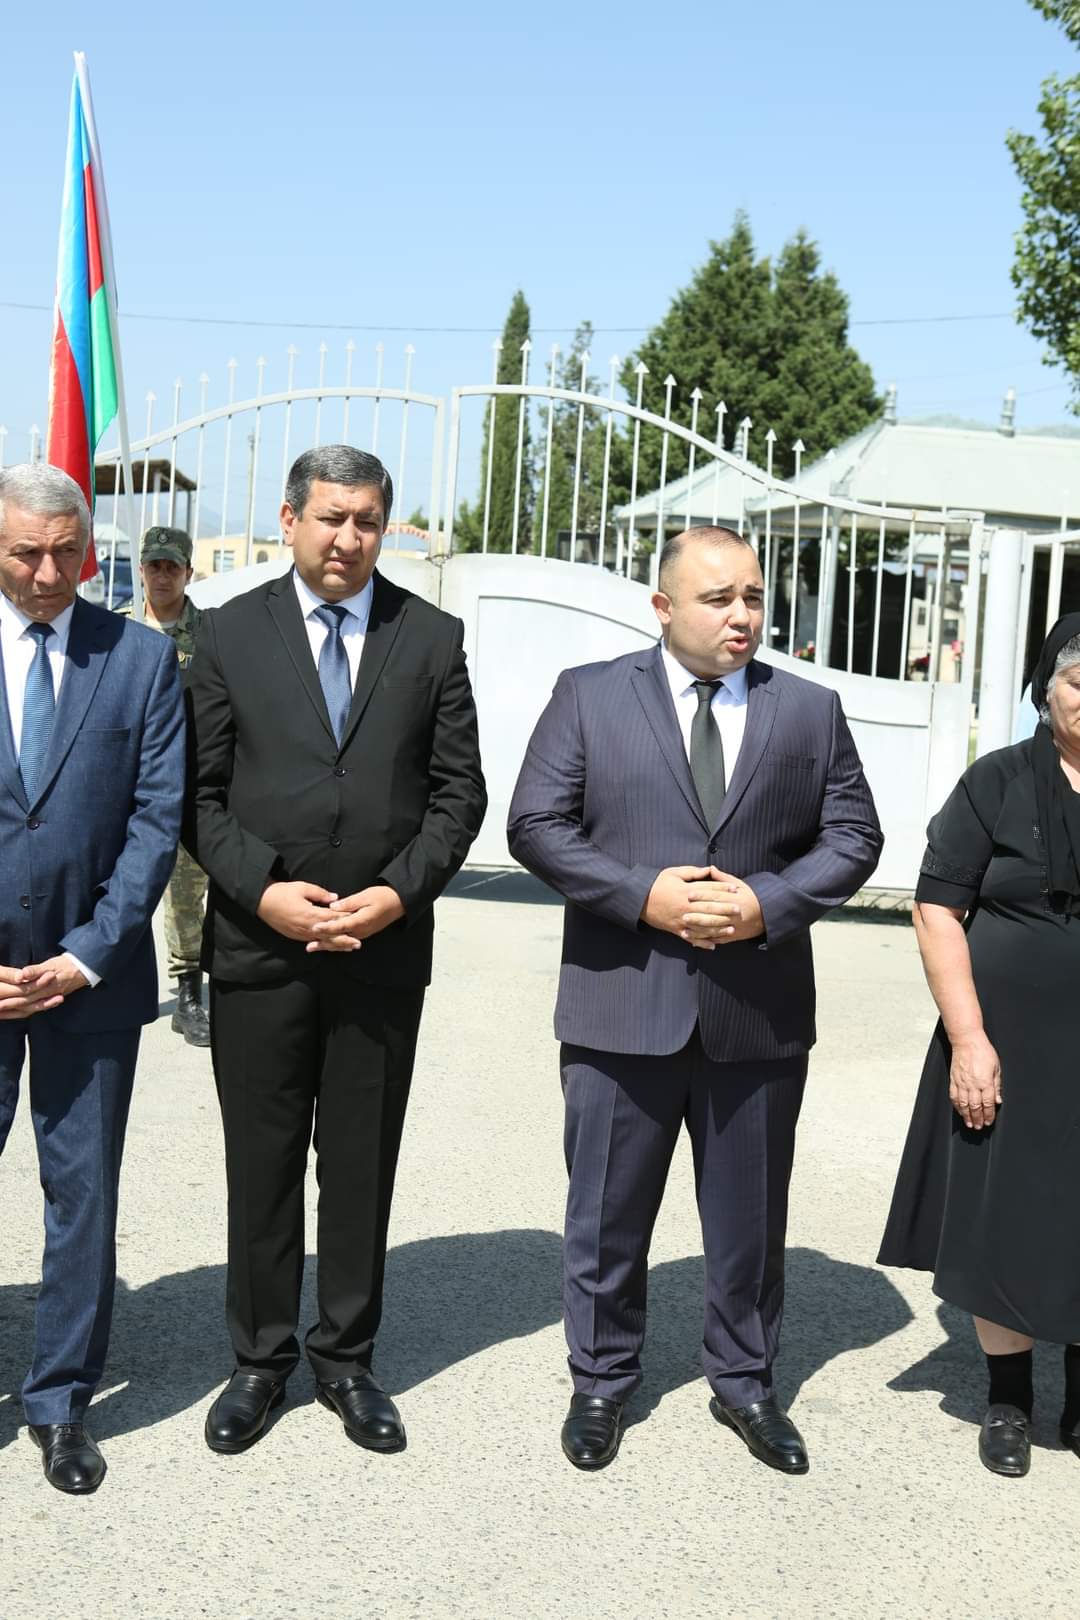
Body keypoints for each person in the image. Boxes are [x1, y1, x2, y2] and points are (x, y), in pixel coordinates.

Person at [508, 525, 882, 1473]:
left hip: (754, 1012)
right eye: (719, 599)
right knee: (605, 1215)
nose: (742, 615)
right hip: (621, 1004)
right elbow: (536, 824)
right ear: (664, 607)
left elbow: (853, 835)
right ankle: (601, 1379)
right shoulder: (590, 696)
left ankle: (746, 1382)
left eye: (753, 596)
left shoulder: (810, 711)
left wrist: (766, 905)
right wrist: (643, 896)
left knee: (749, 1221)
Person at [186, 445, 486, 1457]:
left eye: (366, 521)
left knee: (360, 1164)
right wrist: (264, 891)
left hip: (379, 952)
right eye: (330, 517)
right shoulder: (228, 634)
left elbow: (459, 795)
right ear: (289, 520)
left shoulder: (430, 638)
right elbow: (198, 794)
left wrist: (396, 895)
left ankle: (347, 1360)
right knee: (262, 1162)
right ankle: (259, 1361)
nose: (348, 538)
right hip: (259, 948)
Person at [0, 464, 184, 1494]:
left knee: (83, 1195)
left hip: (92, 980)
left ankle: (61, 1400)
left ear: (90, 549)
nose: (46, 573)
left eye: (65, 552)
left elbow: (157, 821)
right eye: (25, 552)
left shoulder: (141, 660)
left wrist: (85, 954)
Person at [879, 612, 1080, 1479]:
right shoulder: (996, 782)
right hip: (1006, 1042)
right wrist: (969, 1039)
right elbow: (936, 910)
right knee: (1005, 1216)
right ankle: (1009, 1397)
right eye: (1079, 683)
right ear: (1047, 690)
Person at [121, 525, 209, 1046]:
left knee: (186, 890)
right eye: (154, 565)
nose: (162, 575)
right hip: (127, 786)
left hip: (190, 779)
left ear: (187, 572)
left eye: (171, 566)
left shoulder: (213, 634)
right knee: (119, 886)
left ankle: (189, 994)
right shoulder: (117, 631)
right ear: (141, 570)